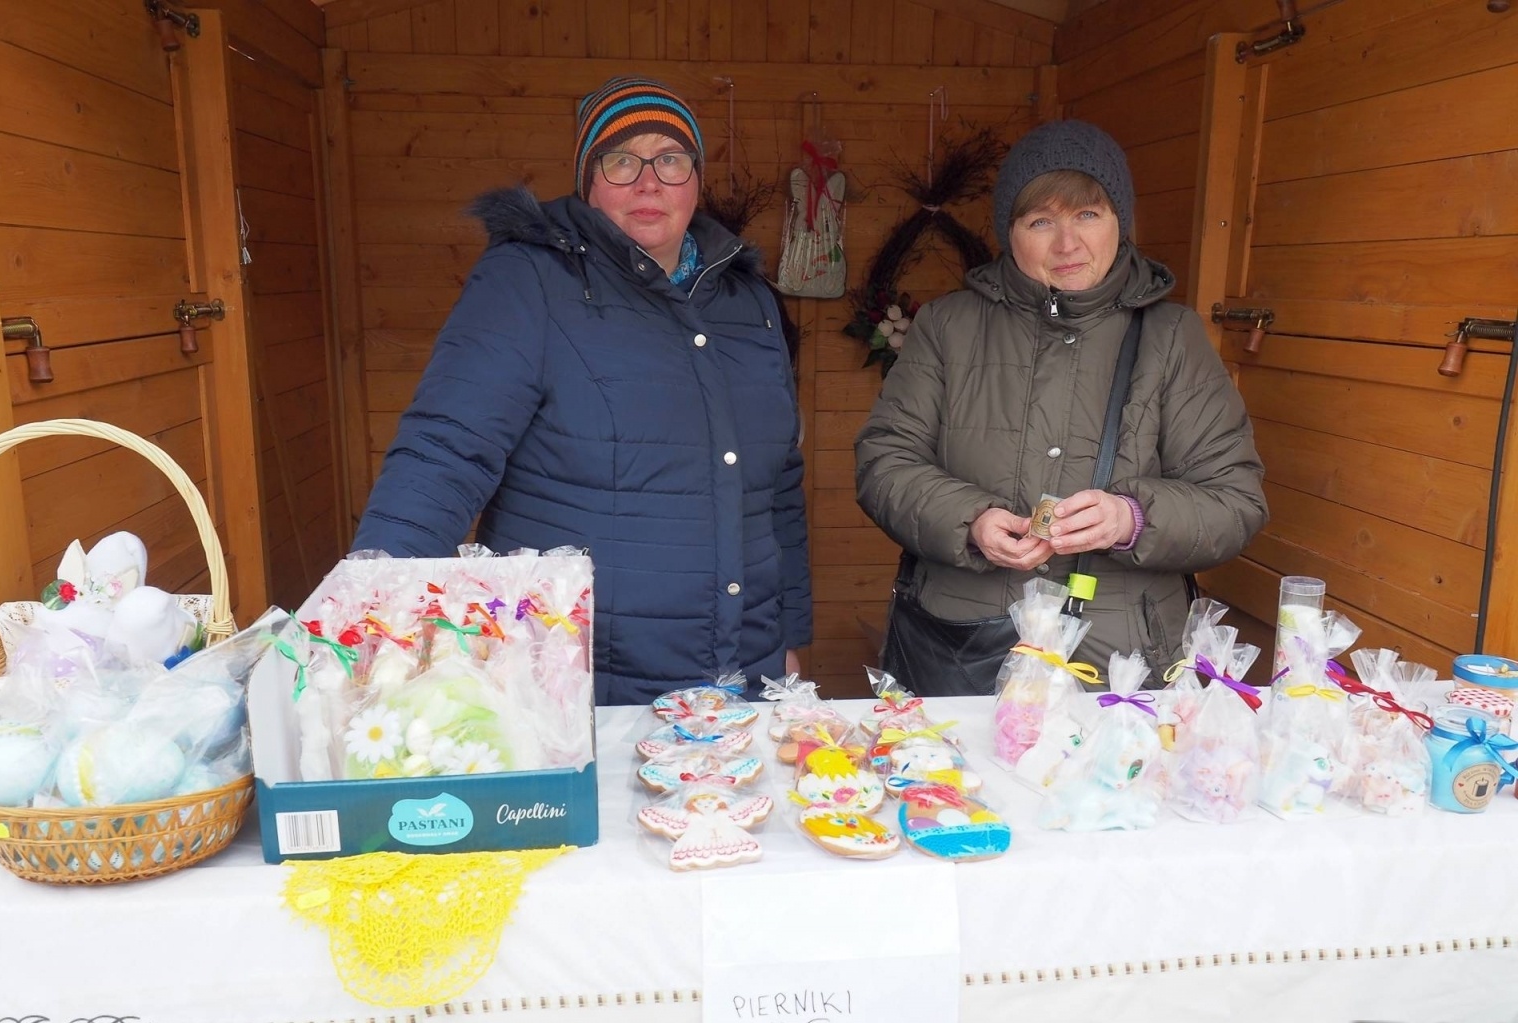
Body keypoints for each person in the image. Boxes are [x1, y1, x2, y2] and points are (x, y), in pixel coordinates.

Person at [352, 76, 811, 706]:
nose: (649, 182)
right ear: (588, 180)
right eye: (622, 160)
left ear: (696, 180)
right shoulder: (530, 281)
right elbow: (446, 450)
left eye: (671, 159)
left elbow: (778, 485)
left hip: (740, 684)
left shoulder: (748, 303)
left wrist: (788, 637)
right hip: (576, 687)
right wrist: (373, 611)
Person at [854, 119, 1268, 686]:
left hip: (1121, 663)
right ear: (1010, 231)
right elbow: (885, 461)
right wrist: (969, 520)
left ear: (1119, 222)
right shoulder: (947, 327)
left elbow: (1235, 500)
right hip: (964, 646)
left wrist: (1131, 518)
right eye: (1041, 220)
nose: (1067, 243)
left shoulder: (1173, 337)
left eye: (1087, 215)